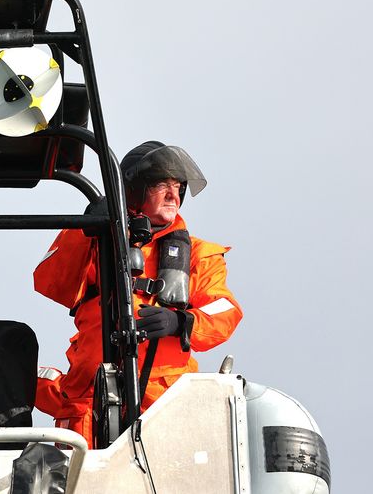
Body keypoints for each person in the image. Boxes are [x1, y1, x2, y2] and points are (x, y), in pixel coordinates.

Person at [33, 141, 243, 445]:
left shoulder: (199, 253)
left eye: (178, 186)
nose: (174, 195)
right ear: (134, 190)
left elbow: (225, 309)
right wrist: (86, 227)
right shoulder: (94, 240)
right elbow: (49, 280)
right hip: (90, 401)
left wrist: (181, 322)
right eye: (162, 185)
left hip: (163, 403)